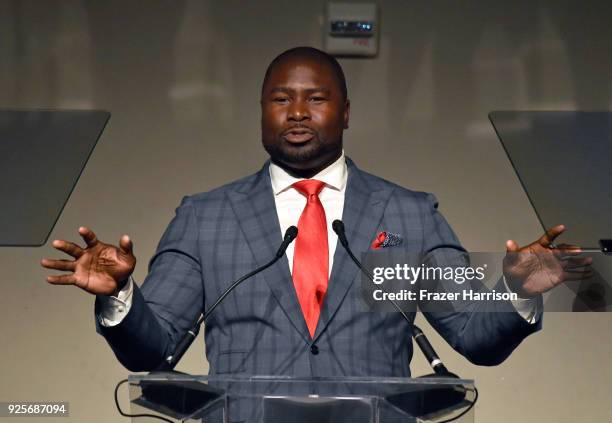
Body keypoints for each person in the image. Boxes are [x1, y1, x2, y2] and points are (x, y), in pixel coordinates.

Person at [41, 47, 591, 376]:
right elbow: (153, 347)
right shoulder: (204, 217)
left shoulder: (408, 213)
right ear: (262, 112)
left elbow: (474, 337)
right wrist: (119, 295)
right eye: (281, 99)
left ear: (346, 112)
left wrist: (515, 291)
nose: (298, 112)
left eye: (316, 98)